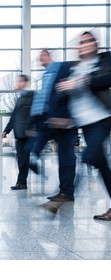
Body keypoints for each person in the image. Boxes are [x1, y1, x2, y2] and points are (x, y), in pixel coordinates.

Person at [56, 31, 111, 220]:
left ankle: (64, 197)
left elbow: (106, 78)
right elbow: (68, 95)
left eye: (89, 40)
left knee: (89, 156)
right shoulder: (74, 68)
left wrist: (82, 80)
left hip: (103, 118)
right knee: (102, 165)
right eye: (82, 42)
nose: (86, 44)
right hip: (85, 123)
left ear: (95, 44)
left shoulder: (104, 59)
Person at [29, 49, 77, 203]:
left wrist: (67, 116)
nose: (40, 59)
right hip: (48, 120)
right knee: (34, 148)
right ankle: (36, 164)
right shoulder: (45, 75)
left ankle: (66, 192)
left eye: (42, 56)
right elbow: (45, 98)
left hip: (63, 121)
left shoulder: (62, 67)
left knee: (66, 156)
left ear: (48, 56)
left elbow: (71, 86)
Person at [2, 75, 35, 190]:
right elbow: (14, 116)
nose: (17, 84)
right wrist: (6, 130)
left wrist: (30, 128)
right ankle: (22, 181)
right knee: (21, 158)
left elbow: (34, 114)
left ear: (25, 83)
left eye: (19, 81)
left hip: (26, 133)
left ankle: (22, 182)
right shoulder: (20, 98)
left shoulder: (31, 96)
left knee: (23, 159)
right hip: (19, 134)